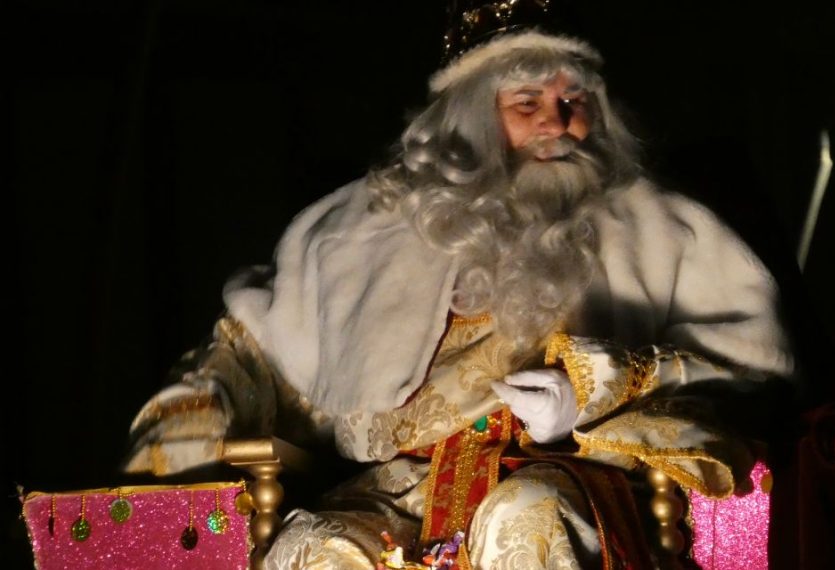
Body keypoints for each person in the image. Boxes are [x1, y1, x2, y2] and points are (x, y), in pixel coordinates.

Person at [124, 6, 795, 568]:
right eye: (527, 104)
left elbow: (743, 366)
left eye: (573, 103)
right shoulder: (359, 227)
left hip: (562, 471)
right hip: (395, 485)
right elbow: (249, 356)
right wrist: (184, 428)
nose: (557, 125)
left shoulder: (663, 227)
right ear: (471, 118)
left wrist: (590, 394)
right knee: (315, 550)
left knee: (522, 518)